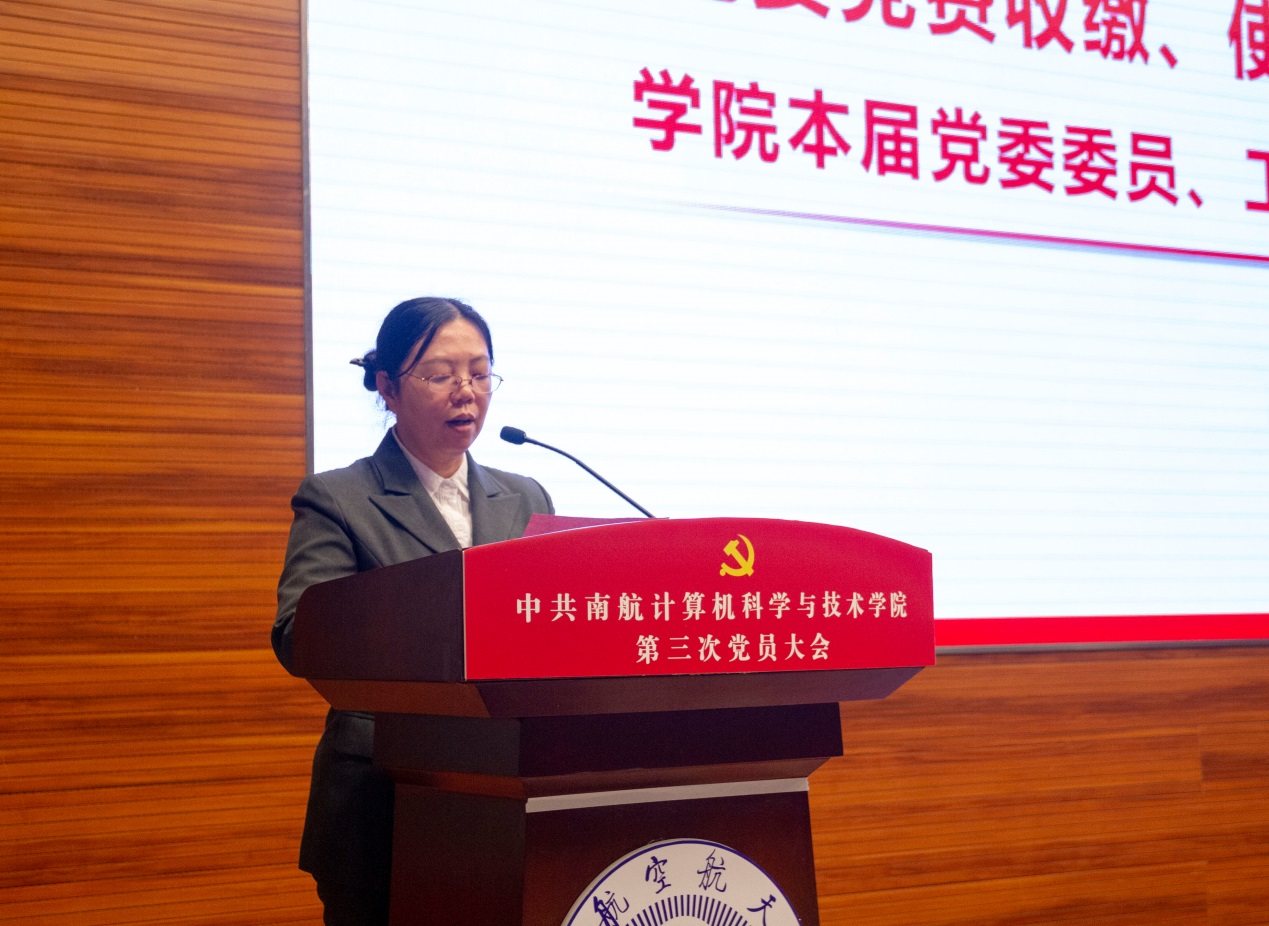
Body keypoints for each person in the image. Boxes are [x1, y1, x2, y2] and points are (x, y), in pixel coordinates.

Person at [271, 297, 554, 924]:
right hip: (383, 799)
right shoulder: (338, 498)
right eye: (441, 374)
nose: (466, 392)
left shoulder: (525, 496)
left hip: (508, 791)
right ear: (388, 387)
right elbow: (297, 634)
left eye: (479, 373)